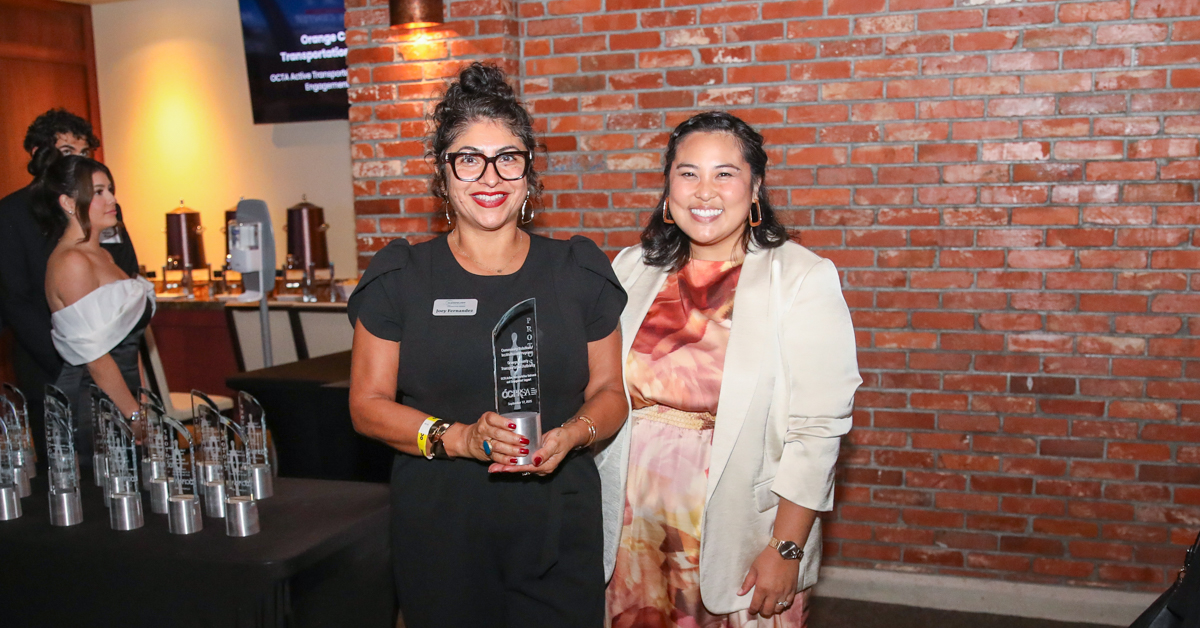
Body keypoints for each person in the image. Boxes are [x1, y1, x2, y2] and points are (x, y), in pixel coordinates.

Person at [347, 62, 628, 628]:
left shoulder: (578, 270)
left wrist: (574, 433)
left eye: (507, 158)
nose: (490, 176)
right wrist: (457, 438)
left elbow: (610, 392)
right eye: (469, 159)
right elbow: (366, 406)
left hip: (558, 521)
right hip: (441, 524)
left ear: (528, 172)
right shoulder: (401, 277)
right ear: (443, 173)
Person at [599, 112, 862, 627]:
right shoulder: (631, 268)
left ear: (755, 187)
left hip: (741, 536)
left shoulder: (802, 278)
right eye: (688, 173)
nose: (705, 191)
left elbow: (817, 429)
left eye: (725, 173)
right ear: (668, 187)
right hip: (633, 530)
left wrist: (786, 548)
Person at [0, 109, 138, 453]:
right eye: (66, 151)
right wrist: (69, 359)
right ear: (38, 154)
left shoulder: (101, 208)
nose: (79, 160)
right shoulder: (11, 211)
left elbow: (126, 271)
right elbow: (15, 299)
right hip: (46, 359)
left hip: (116, 361)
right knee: (66, 465)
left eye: (84, 152)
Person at [37, 155, 153, 461]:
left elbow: (129, 340)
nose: (112, 199)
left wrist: (140, 401)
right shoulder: (71, 262)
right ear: (68, 203)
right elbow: (95, 357)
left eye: (111, 189)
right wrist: (132, 413)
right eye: (99, 191)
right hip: (94, 404)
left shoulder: (103, 256)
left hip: (123, 396)